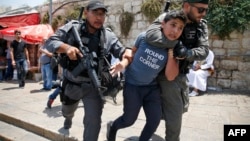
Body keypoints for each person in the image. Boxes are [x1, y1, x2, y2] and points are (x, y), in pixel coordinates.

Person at [45, 1, 132, 140]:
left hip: (94, 87)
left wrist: (124, 61)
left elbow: (123, 51)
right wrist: (66, 48)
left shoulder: (107, 35)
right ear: (86, 12)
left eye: (102, 14)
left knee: (93, 123)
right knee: (67, 111)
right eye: (96, 13)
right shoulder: (73, 28)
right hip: (72, 83)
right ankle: (68, 119)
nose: (99, 17)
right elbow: (50, 42)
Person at [106, 10, 187, 141]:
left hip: (151, 88)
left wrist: (172, 52)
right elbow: (132, 54)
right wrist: (123, 64)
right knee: (128, 120)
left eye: (180, 28)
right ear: (163, 24)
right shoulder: (144, 37)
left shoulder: (173, 49)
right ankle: (113, 127)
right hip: (133, 86)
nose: (176, 31)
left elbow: (171, 76)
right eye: (173, 25)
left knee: (154, 120)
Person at [145, 0, 210, 141]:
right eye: (200, 10)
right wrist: (176, 44)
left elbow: (204, 51)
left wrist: (186, 53)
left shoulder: (200, 25)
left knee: (174, 116)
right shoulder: (169, 16)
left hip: (179, 76)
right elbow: (150, 35)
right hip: (161, 75)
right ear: (187, 6)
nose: (203, 14)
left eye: (206, 10)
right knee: (168, 118)